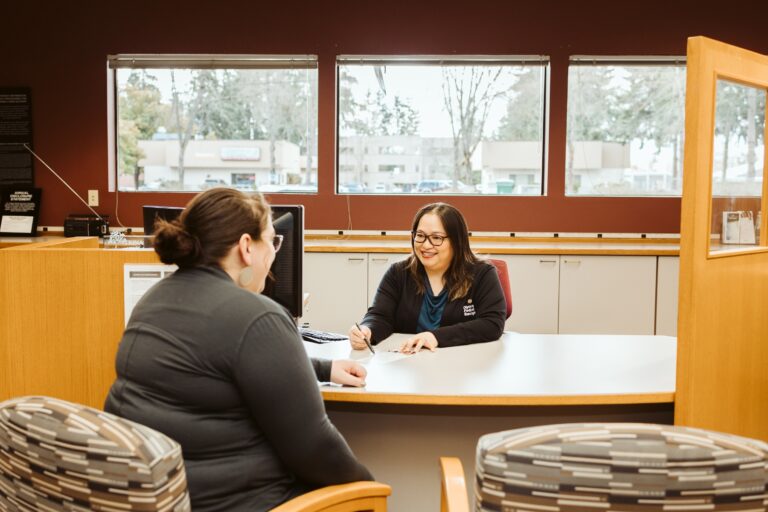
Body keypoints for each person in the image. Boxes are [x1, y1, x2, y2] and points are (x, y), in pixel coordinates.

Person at [105, 188, 372, 512]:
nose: (273, 254)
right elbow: (316, 450)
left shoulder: (153, 299)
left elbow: (212, 364)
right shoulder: (258, 315)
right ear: (247, 247)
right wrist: (368, 488)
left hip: (160, 497)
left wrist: (323, 369)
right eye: (272, 242)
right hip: (244, 502)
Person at [349, 202, 506, 353]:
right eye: (420, 235)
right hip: (409, 364)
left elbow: (492, 324)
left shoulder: (482, 273)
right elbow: (380, 316)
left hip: (461, 364)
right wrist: (366, 330)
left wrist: (435, 337)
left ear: (457, 241)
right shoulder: (399, 272)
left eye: (437, 238)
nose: (425, 245)